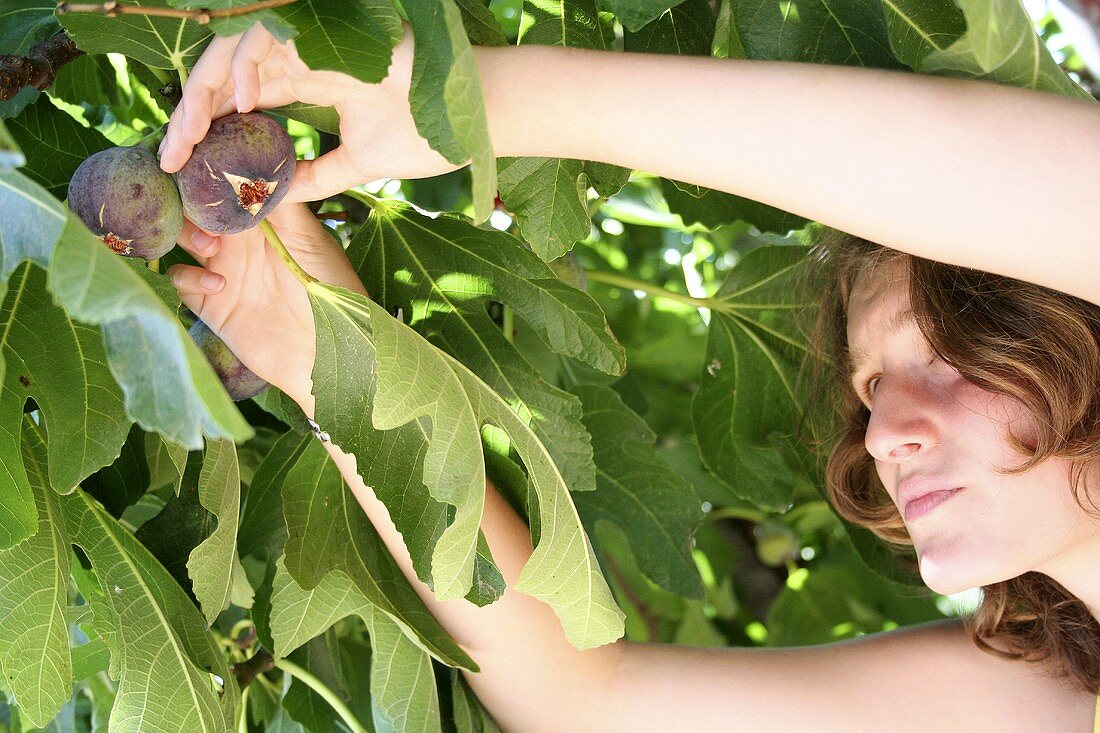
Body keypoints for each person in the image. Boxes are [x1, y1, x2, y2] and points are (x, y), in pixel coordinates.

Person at [158, 22, 1100, 732]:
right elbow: (588, 697)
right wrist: (328, 355)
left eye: (940, 353)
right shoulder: (1037, 702)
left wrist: (469, 97)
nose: (886, 433)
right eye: (866, 390)